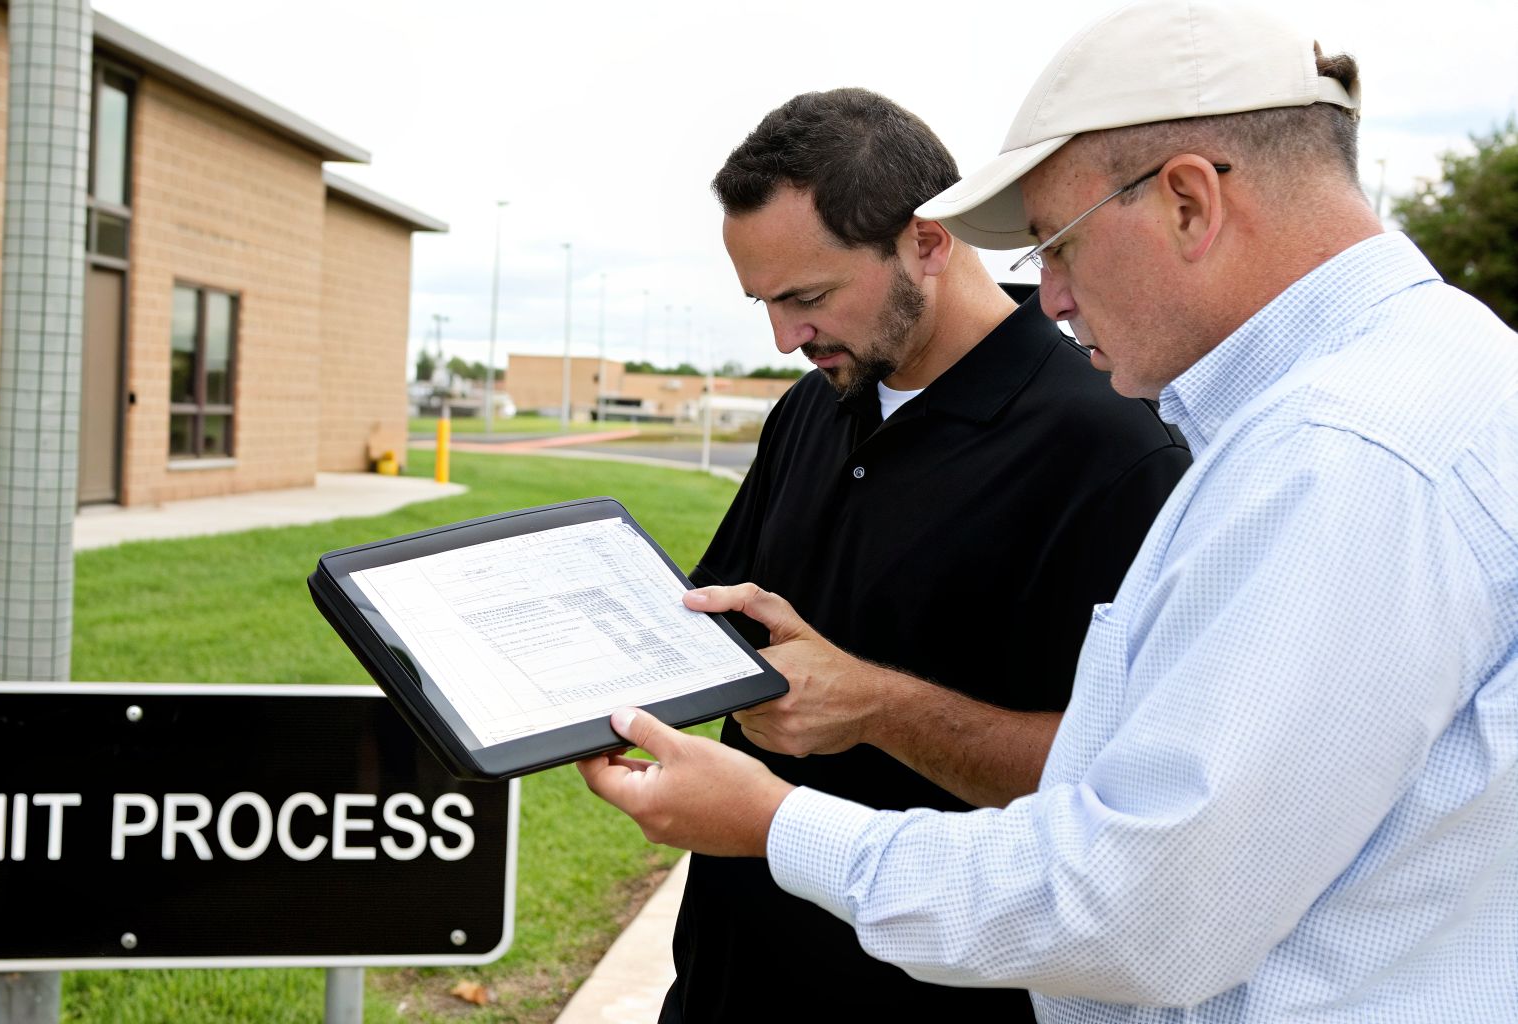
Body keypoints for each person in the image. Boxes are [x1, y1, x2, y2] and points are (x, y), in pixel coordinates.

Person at [580, 2, 1518, 1021]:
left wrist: (778, 822)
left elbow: (1137, 901)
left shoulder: (1342, 456)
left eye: (1056, 245)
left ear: (1188, 204)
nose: (1053, 298)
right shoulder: (1406, 392)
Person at [659, 88, 1189, 1022]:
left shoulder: (1113, 450)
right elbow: (718, 616)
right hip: (726, 978)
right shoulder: (814, 406)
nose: (785, 338)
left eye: (807, 297)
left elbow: (1119, 790)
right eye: (765, 303)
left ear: (929, 243)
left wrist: (873, 707)